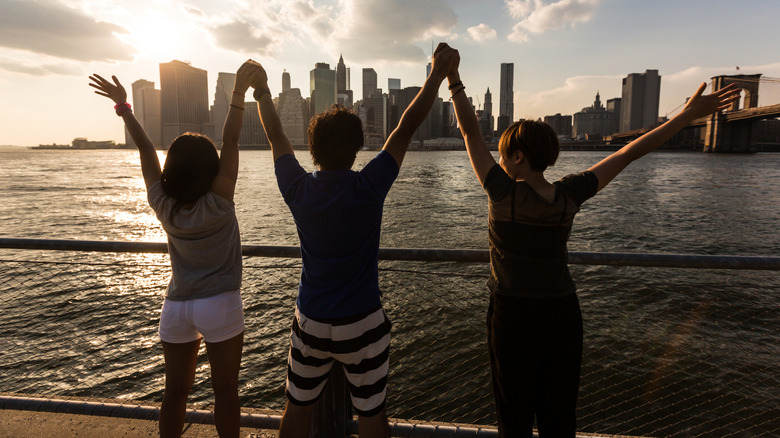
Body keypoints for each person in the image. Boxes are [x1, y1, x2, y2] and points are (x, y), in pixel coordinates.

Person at [445, 51, 740, 437]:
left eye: (502, 156)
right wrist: (684, 117)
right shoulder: (569, 195)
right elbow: (627, 152)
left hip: (513, 316)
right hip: (563, 316)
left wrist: (452, 78)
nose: (499, 162)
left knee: (513, 417)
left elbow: (468, 131)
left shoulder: (502, 194)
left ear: (517, 157)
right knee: (559, 417)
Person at [246, 44, 458, 438]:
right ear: (358, 147)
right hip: (362, 321)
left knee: (297, 410)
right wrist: (436, 75)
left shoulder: (299, 188)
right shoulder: (368, 186)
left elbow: (275, 135)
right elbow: (406, 128)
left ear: (313, 150)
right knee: (372, 415)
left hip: (311, 320)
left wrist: (260, 90)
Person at [88, 61, 262, 438]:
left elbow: (147, 149)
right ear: (211, 169)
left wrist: (123, 108)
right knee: (226, 393)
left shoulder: (163, 205)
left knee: (174, 394)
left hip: (177, 306)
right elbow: (231, 141)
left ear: (173, 169)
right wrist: (238, 93)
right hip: (220, 303)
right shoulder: (219, 201)